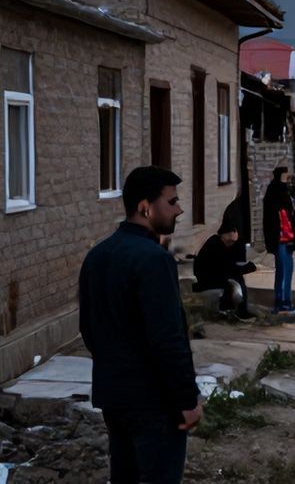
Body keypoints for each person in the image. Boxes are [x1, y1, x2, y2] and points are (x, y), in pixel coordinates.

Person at [79, 166, 202, 482]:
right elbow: (168, 338)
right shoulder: (153, 258)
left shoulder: (98, 255)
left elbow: (89, 330)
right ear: (145, 207)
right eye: (171, 202)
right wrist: (187, 399)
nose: (179, 209)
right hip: (154, 405)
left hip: (114, 399)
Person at [193, 220, 257, 321]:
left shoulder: (217, 242)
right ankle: (236, 311)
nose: (231, 244)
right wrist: (247, 268)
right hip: (207, 278)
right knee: (236, 280)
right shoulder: (216, 245)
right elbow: (226, 268)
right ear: (224, 235)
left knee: (234, 279)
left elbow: (227, 266)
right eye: (230, 241)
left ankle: (231, 309)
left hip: (211, 275)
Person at [262, 166, 295, 315]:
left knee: (288, 270)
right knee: (283, 270)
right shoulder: (275, 193)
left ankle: (287, 301)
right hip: (280, 238)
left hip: (287, 238)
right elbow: (273, 220)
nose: (287, 180)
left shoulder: (283, 192)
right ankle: (281, 303)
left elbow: (290, 216)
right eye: (285, 177)